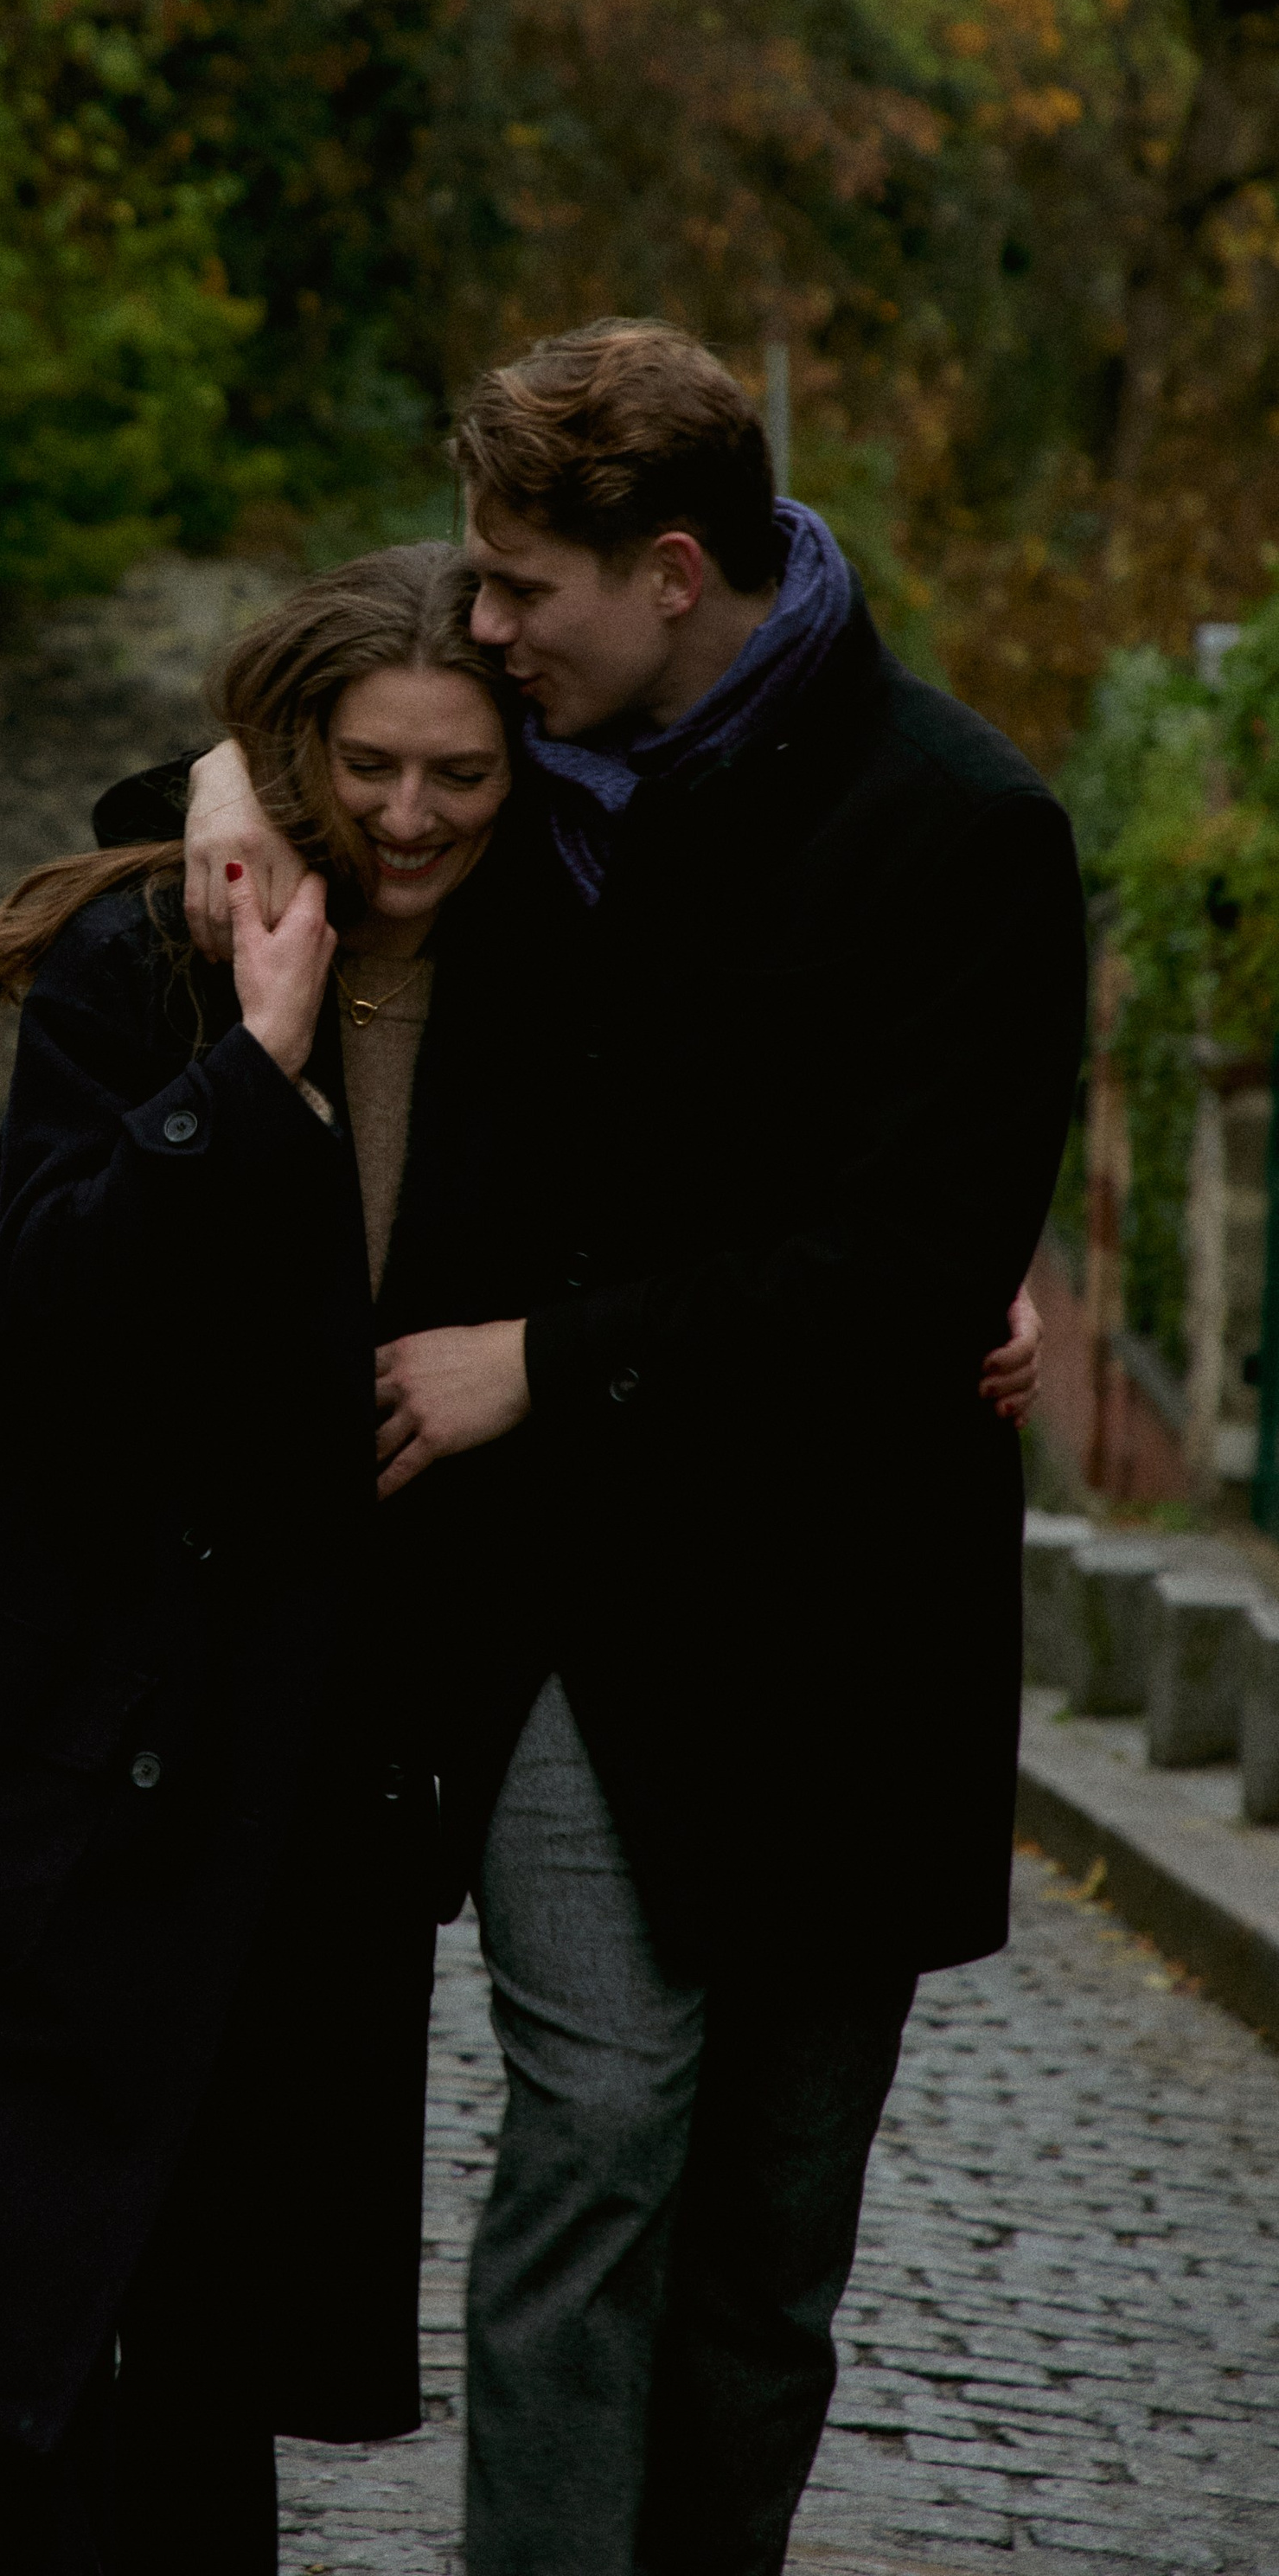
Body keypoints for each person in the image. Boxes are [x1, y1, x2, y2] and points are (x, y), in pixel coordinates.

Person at [0, 541, 1044, 2576]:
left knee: (203, 2332)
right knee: (13, 2330)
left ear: (521, 768)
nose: (403, 816)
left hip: (301, 1758)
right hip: (52, 1745)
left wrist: (943, 1279)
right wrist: (249, 1063)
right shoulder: (156, 954)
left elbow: (774, 1152)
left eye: (455, 776)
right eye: (359, 766)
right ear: (290, 749)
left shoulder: (557, 980)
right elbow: (25, 1306)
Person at [157, 319, 1084, 2576]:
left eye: (521, 587)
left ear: (672, 571)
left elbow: (908, 1269)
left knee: (766, 2265)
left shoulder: (963, 828)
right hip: (570, 1603)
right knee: (594, 2129)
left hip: (846, 1636)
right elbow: (338, 720)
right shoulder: (535, 779)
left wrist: (544, 1360)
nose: (484, 623)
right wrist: (208, 770)